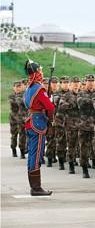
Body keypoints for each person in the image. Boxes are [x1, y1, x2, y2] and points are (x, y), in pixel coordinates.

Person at [23, 60, 55, 196]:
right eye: (40, 70)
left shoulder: (28, 88)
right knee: (36, 155)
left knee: (32, 154)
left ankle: (34, 186)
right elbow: (50, 107)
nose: (41, 72)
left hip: (31, 121)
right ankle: (36, 188)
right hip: (38, 123)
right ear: (36, 73)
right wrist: (51, 120)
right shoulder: (39, 88)